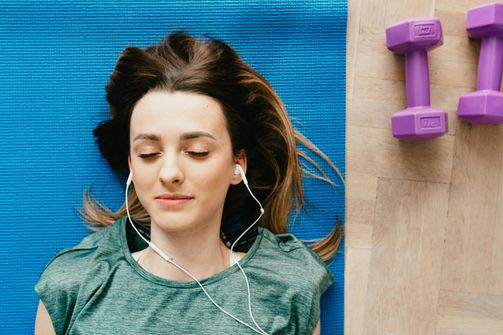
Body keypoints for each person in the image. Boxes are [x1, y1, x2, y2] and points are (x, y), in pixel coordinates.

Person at [34, 32, 343, 335]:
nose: (169, 173)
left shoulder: (287, 284)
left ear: (238, 165)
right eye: (148, 153)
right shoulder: (73, 283)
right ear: (131, 165)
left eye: (197, 152)